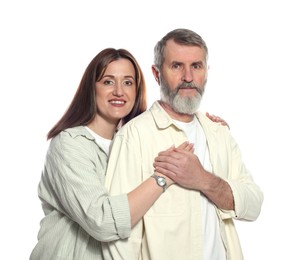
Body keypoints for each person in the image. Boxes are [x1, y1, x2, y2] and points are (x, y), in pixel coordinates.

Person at [30, 47, 229, 260]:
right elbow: (102, 221)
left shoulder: (135, 140)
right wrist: (164, 177)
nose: (119, 91)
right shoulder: (69, 145)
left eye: (128, 82)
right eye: (108, 81)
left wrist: (208, 128)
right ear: (91, 88)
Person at [102, 29, 264, 260]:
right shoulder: (134, 136)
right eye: (177, 66)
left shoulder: (219, 133)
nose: (188, 77)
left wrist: (203, 180)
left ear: (206, 72)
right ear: (157, 74)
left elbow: (253, 204)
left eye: (196, 66)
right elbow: (119, 240)